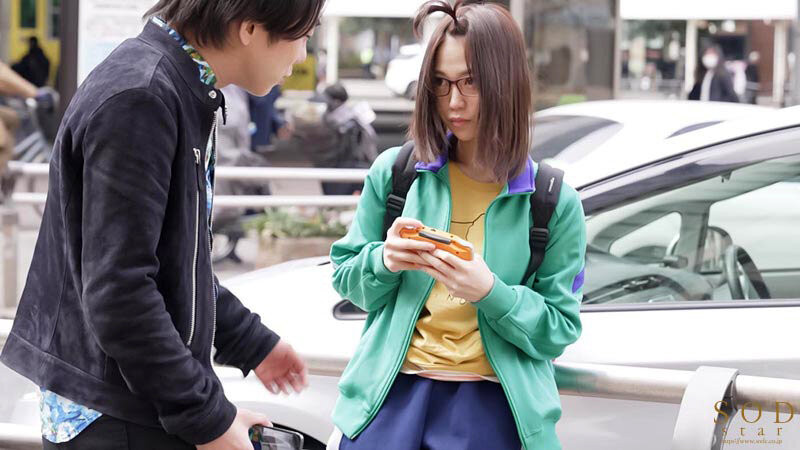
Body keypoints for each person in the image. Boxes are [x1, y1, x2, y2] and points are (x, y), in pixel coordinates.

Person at [0, 1, 325, 449]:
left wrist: (250, 342)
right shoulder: (143, 96)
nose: (302, 56)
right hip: (115, 412)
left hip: (125, 401)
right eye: (303, 36)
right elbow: (121, 292)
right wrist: (209, 421)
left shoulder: (168, 83)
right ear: (249, 28)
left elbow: (173, 262)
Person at [326, 1, 587, 449]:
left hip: (494, 411)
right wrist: (385, 261)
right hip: (389, 401)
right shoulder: (397, 173)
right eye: (441, 83)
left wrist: (491, 292)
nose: (454, 102)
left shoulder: (552, 201)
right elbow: (347, 281)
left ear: (506, 83)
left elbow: (558, 330)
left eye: (471, 82)